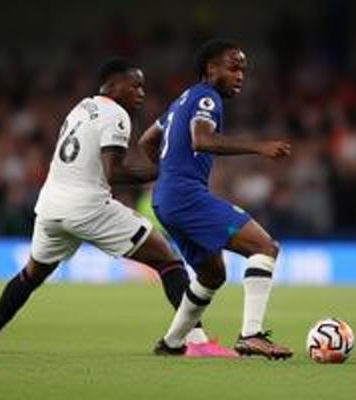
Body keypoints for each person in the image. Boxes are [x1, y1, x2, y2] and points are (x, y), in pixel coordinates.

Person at [0, 57, 236, 358]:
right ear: (114, 84)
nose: (141, 93)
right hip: (88, 207)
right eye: (135, 86)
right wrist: (163, 171)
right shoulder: (116, 114)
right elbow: (114, 173)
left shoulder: (81, 107)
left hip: (51, 207)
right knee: (168, 260)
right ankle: (197, 341)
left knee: (31, 275)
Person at [139, 39, 293, 359]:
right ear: (211, 68)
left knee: (212, 275)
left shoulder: (181, 100)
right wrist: (259, 147)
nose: (240, 76)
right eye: (233, 68)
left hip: (166, 199)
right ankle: (251, 335)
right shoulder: (207, 97)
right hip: (185, 196)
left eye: (243, 70)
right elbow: (202, 139)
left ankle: (172, 343)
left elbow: (146, 141)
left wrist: (168, 171)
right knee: (265, 247)